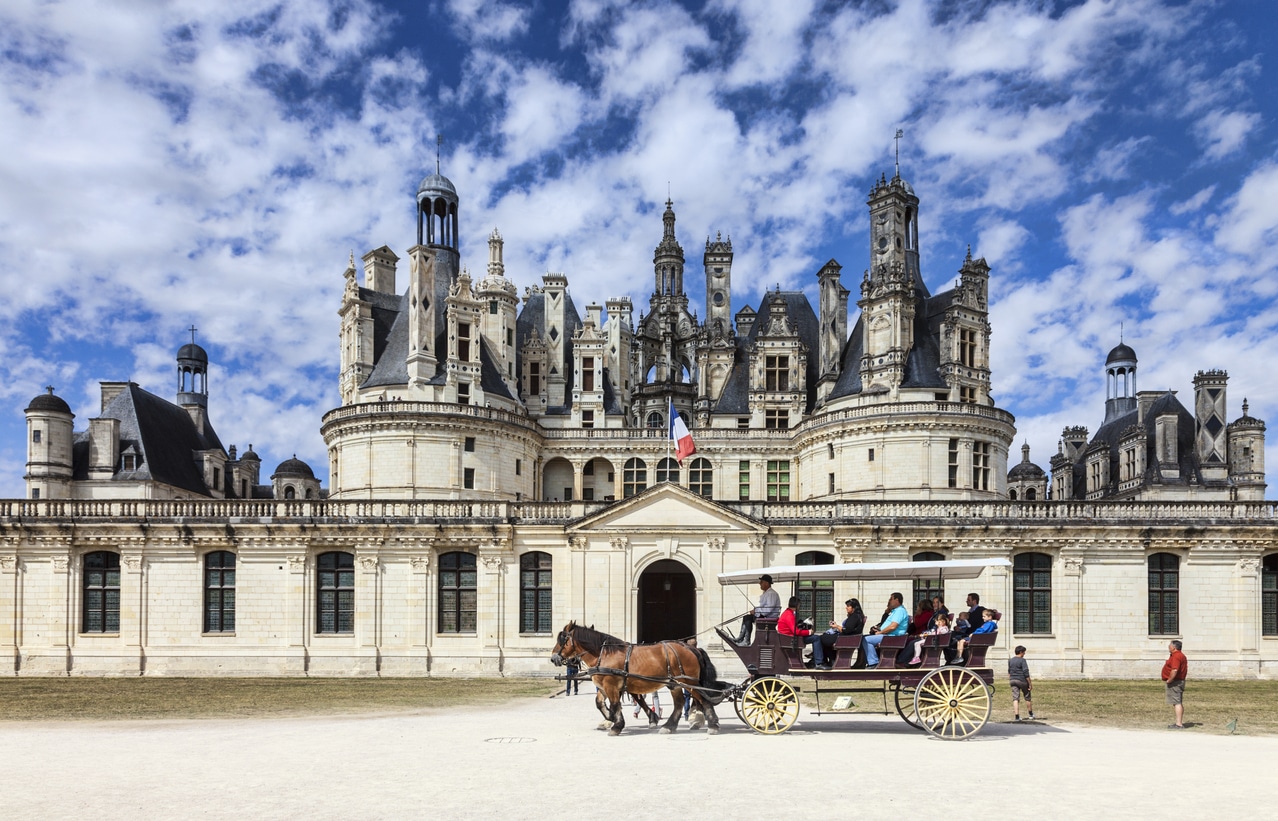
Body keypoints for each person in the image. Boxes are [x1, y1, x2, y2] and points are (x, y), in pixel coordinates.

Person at [720, 574, 781, 647]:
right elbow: (764, 608)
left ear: (767, 583)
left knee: (748, 618)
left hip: (769, 617)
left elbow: (768, 610)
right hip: (765, 615)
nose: (760, 584)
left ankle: (745, 640)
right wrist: (756, 610)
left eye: (761, 582)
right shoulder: (767, 593)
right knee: (747, 617)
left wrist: (756, 611)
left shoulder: (771, 593)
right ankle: (742, 638)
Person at [861, 592, 909, 669]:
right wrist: (879, 629)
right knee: (864, 638)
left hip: (893, 637)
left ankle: (873, 662)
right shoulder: (895, 611)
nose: (889, 601)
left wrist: (880, 632)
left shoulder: (900, 611)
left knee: (866, 640)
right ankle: (866, 661)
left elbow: (893, 627)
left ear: (897, 600)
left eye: (891, 599)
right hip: (888, 635)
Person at [777, 596, 825, 667]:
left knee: (815, 637)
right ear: (797, 605)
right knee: (816, 638)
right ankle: (818, 662)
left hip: (788, 637)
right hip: (791, 638)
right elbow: (795, 631)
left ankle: (814, 659)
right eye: (799, 605)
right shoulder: (789, 615)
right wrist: (809, 632)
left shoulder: (787, 613)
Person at [817, 598, 866, 668]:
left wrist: (837, 626)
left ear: (854, 607)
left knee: (821, 638)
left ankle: (826, 660)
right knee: (824, 637)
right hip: (847, 637)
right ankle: (831, 659)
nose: (846, 608)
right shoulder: (857, 616)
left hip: (846, 638)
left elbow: (847, 630)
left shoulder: (855, 616)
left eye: (849, 606)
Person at [1162, 640, 1188, 729]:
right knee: (1176, 702)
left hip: (1175, 682)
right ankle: (1178, 722)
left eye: (1170, 645)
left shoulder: (1177, 656)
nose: (1168, 646)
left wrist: (1169, 680)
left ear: (1174, 647)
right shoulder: (1179, 655)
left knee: (1177, 702)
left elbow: (1175, 669)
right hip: (1178, 681)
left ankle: (1179, 724)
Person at [1009, 645, 1034, 720]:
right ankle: (1030, 714)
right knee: (1027, 697)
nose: (1024, 654)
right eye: (1024, 652)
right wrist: (1030, 683)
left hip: (1012, 680)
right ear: (1020, 652)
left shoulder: (1010, 660)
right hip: (1021, 680)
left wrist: (1011, 679)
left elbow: (1009, 672)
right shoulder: (1022, 660)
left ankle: (1017, 716)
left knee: (1015, 698)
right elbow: (1026, 672)